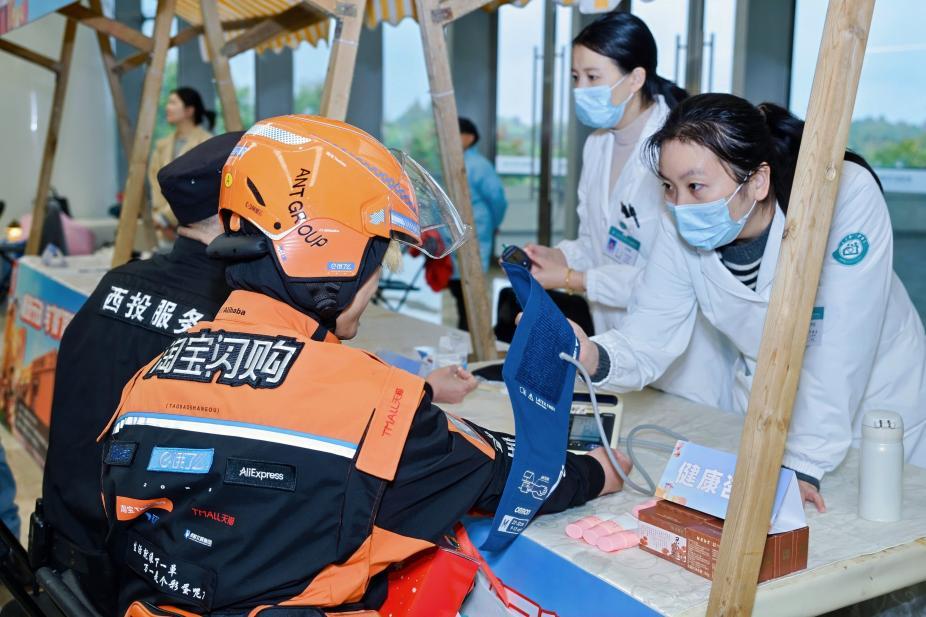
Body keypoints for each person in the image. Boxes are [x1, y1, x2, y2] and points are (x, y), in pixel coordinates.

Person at [100, 116, 632, 617]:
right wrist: (597, 472)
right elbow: (509, 474)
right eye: (377, 257)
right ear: (334, 259)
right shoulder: (371, 403)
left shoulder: (149, 379)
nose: (375, 281)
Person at [572, 93, 926, 512]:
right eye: (669, 186)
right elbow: (651, 332)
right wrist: (592, 355)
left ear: (757, 181)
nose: (680, 204)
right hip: (774, 403)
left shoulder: (840, 193)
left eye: (695, 186)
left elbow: (839, 346)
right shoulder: (679, 220)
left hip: (873, 404)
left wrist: (804, 464)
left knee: (877, 527)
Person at [40, 132, 242, 617]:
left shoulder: (117, 282)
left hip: (66, 556)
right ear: (238, 218)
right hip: (142, 585)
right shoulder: (230, 321)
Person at [522, 12, 736, 410]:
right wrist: (561, 257)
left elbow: (664, 277)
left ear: (636, 78)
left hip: (684, 366)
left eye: (593, 77)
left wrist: (572, 278)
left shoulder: (676, 154)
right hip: (617, 346)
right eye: (575, 77)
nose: (581, 89)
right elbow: (597, 240)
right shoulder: (597, 145)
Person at [446, 117, 508, 330]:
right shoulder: (453, 161)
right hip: (454, 234)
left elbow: (498, 200)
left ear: (469, 137)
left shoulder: (479, 165)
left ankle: (470, 335)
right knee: (459, 290)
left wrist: (492, 224)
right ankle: (464, 332)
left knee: (470, 291)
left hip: (475, 233)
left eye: (456, 133)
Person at [147, 87, 216, 240]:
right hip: (163, 230)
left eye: (173, 102)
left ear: (189, 110)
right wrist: (160, 217)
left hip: (197, 227)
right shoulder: (161, 146)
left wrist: (166, 218)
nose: (167, 107)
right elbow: (155, 183)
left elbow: (201, 188)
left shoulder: (207, 143)